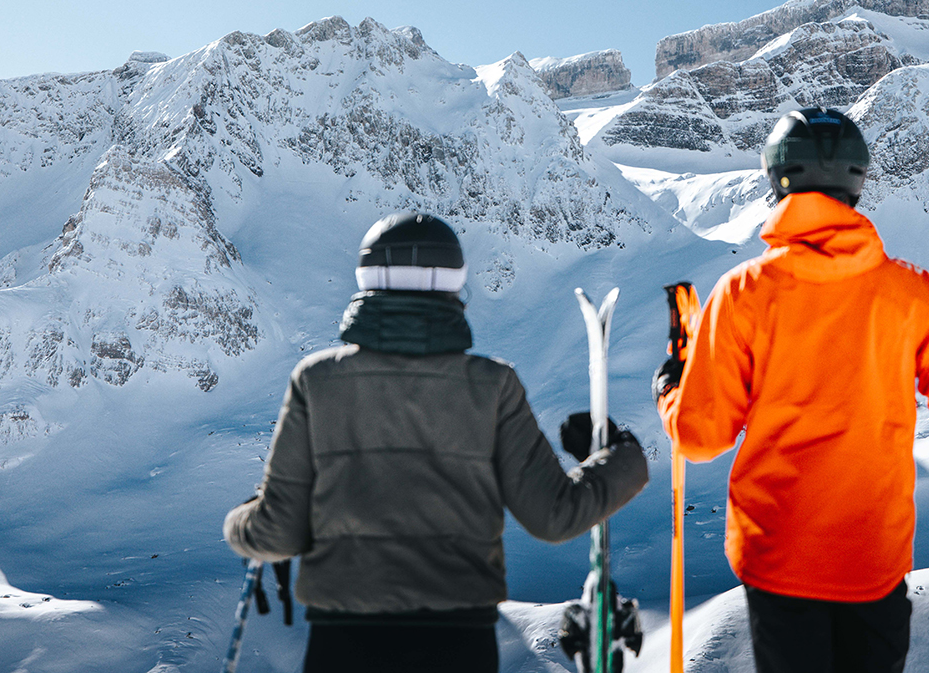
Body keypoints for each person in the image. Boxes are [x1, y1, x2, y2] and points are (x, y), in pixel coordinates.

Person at [653, 108, 929, 673]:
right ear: (857, 181)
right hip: (872, 558)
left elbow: (701, 438)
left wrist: (671, 390)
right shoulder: (911, 293)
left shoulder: (742, 293)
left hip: (777, 558)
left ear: (777, 178)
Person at [225, 211, 648, 673]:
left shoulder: (316, 380)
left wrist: (240, 522)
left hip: (343, 640)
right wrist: (621, 458)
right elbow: (554, 516)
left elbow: (277, 532)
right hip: (459, 640)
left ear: (367, 280)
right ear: (455, 284)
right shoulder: (493, 385)